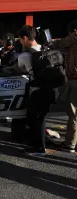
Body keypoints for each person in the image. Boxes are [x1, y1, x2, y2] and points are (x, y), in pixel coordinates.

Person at [16, 25, 56, 156]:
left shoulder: (25, 55)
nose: (20, 42)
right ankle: (38, 145)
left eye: (21, 40)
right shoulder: (47, 49)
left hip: (38, 91)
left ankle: (39, 149)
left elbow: (20, 69)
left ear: (26, 38)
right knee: (40, 118)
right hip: (52, 89)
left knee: (34, 119)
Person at [51, 20, 77, 153]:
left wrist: (53, 42)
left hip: (76, 80)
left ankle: (71, 143)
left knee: (74, 114)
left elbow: (61, 43)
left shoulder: (75, 36)